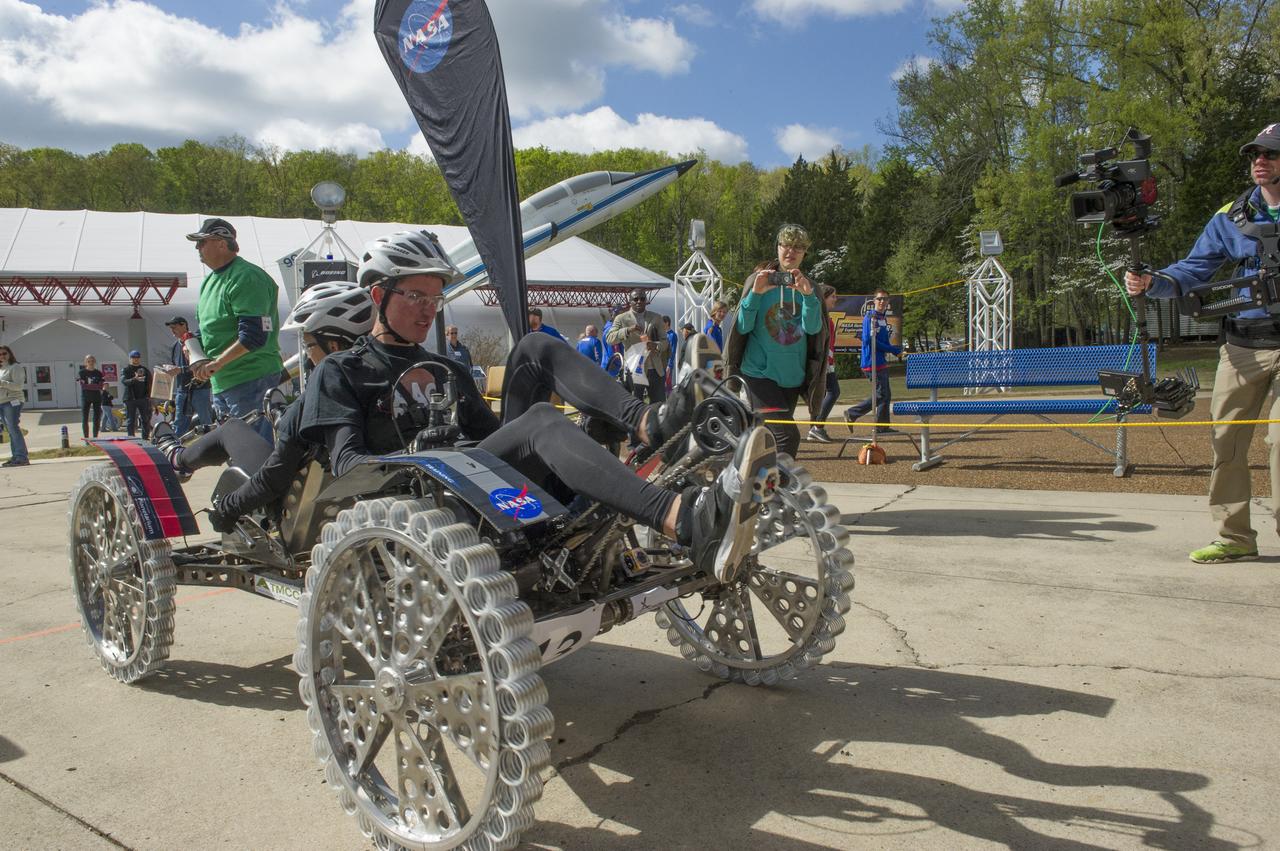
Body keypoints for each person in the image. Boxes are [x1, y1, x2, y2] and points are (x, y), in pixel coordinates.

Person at [299, 230, 777, 581]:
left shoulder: (446, 368)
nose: (430, 307)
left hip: (479, 479)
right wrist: (423, 450)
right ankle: (682, 518)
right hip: (423, 499)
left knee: (534, 348)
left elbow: (494, 433)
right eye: (415, 295)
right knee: (543, 421)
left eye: (436, 296)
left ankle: (651, 423)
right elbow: (346, 465)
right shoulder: (342, 371)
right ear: (379, 296)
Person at [1124, 122, 1280, 564]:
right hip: (1242, 346)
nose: (1260, 162)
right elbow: (1195, 268)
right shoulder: (1231, 215)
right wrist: (1155, 282)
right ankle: (1235, 538)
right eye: (1255, 155)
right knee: (1226, 440)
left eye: (1270, 154)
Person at [153, 281, 377, 531]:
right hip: (354, 494)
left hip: (291, 502)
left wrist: (228, 507)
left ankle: (178, 458)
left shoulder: (323, 393)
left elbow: (272, 478)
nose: (306, 353)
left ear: (333, 346)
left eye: (309, 345)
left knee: (233, 428)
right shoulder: (379, 379)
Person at [724, 224, 828, 459]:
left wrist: (808, 296)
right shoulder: (757, 280)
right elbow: (742, 327)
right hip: (758, 375)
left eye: (798, 248)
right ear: (778, 248)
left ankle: (750, 485)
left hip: (791, 376)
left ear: (804, 253)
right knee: (787, 437)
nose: (791, 251)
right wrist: (756, 294)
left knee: (766, 440)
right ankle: (780, 489)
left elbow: (813, 328)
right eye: (786, 246)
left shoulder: (811, 288)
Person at [185, 218, 285, 441]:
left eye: (202, 242)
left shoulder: (246, 277)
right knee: (237, 451)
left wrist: (216, 363)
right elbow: (208, 331)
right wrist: (196, 355)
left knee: (255, 453)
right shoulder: (209, 281)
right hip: (224, 381)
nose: (197, 248)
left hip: (251, 379)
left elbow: (254, 336)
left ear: (221, 243)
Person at [843, 289, 901, 434]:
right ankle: (852, 413)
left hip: (880, 361)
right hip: (871, 362)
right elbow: (869, 340)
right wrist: (891, 349)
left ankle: (882, 427)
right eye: (880, 299)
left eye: (885, 299)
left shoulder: (882, 318)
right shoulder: (871, 317)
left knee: (885, 394)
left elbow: (883, 340)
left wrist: (893, 348)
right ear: (874, 300)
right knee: (881, 394)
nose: (882, 302)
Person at [607, 289, 669, 404]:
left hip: (654, 368)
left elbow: (665, 342)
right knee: (635, 406)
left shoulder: (656, 318)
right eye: (635, 299)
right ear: (630, 301)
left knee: (659, 406)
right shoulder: (621, 318)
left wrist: (655, 345)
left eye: (642, 299)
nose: (639, 301)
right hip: (634, 369)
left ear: (646, 301)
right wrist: (628, 330)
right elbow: (610, 338)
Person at [163, 316, 214, 435]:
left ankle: (212, 446)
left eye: (174, 327)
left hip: (200, 388)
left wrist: (180, 370)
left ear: (184, 325)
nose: (172, 331)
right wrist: (169, 370)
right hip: (182, 389)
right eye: (171, 328)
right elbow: (175, 365)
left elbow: (202, 364)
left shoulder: (197, 341)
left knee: (205, 421)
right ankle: (177, 448)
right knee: (179, 422)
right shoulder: (175, 346)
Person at [808, 286, 841, 443]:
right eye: (832, 296)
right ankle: (817, 427)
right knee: (833, 391)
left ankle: (814, 428)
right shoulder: (821, 318)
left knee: (819, 395)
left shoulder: (827, 318)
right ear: (824, 297)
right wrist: (825, 362)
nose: (835, 299)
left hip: (827, 362)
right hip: (822, 363)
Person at [0, 345, 29, 467]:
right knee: (10, 431)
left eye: (4, 353)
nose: (2, 356)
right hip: (2, 402)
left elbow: (18, 386)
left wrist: (2, 383)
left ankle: (22, 457)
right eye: (0, 354)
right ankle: (16, 456)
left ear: (10, 354)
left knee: (13, 428)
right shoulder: (1, 369)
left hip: (13, 401)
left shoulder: (16, 367)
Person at [121, 350, 152, 439]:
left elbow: (150, 382)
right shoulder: (126, 370)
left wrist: (149, 396)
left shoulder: (145, 370)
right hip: (130, 399)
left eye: (137, 357)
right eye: (134, 357)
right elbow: (124, 381)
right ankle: (131, 439)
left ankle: (145, 439)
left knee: (145, 419)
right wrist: (134, 379)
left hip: (143, 398)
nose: (136, 359)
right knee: (131, 420)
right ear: (130, 358)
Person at [77, 355, 105, 440]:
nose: (91, 363)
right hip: (86, 397)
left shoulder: (99, 373)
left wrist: (91, 386)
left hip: (96, 397)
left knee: (96, 418)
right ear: (86, 362)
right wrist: (94, 386)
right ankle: (86, 439)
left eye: (92, 361)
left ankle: (95, 438)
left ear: (95, 362)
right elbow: (83, 386)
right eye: (89, 361)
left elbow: (100, 386)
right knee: (85, 418)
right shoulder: (81, 373)